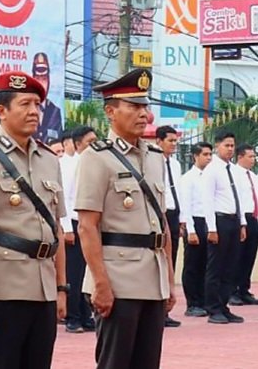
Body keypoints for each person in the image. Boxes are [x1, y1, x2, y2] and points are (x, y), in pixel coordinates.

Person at [0, 71, 67, 369]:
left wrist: (61, 288)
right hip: (1, 289)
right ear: (1, 111)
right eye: (25, 104)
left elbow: (56, 229)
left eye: (37, 104)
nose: (34, 111)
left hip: (43, 288)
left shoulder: (49, 159)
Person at [75, 69, 175, 369]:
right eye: (134, 106)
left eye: (145, 106)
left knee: (148, 362)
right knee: (115, 362)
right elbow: (87, 226)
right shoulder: (96, 157)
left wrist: (169, 279)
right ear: (110, 112)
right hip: (118, 278)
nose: (143, 113)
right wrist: (101, 283)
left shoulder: (155, 157)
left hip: (153, 277)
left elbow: (162, 223)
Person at [201, 131, 246, 324]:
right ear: (217, 146)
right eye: (226, 145)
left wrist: (242, 223)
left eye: (232, 145)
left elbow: (239, 199)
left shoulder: (234, 170)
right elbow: (207, 200)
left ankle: (224, 305)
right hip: (219, 221)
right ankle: (213, 308)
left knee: (230, 267)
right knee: (216, 267)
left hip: (234, 221)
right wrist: (211, 228)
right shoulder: (211, 170)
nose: (230, 149)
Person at [61, 126, 97, 334]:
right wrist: (67, 228)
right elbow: (64, 198)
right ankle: (73, 317)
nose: (94, 145)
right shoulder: (69, 165)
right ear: (77, 144)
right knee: (74, 273)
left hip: (92, 225)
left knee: (88, 271)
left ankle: (86, 315)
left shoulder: (96, 163)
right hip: (74, 225)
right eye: (89, 142)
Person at [179, 142, 212, 317]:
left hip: (209, 222)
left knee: (207, 264)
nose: (209, 158)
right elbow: (186, 205)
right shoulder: (188, 178)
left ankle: (205, 300)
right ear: (195, 156)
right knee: (193, 264)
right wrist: (191, 230)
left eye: (210, 154)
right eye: (205, 154)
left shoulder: (211, 177)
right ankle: (192, 303)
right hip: (195, 222)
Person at [155, 125, 183, 328]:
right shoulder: (153, 161)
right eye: (170, 141)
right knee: (160, 261)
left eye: (175, 141)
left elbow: (178, 191)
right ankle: (157, 310)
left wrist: (182, 219)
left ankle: (166, 310)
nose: (174, 144)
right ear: (159, 141)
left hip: (174, 214)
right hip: (160, 214)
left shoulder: (176, 164)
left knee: (170, 260)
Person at [230, 144, 258, 306]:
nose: (253, 159)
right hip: (241, 217)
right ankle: (232, 291)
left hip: (253, 217)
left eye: (254, 156)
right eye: (250, 156)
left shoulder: (253, 176)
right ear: (240, 157)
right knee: (237, 256)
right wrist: (242, 222)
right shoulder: (233, 174)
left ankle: (243, 289)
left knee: (249, 255)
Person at [31, 52, 62, 143]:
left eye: (44, 79)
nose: (41, 84)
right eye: (38, 79)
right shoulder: (25, 109)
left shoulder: (55, 111)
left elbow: (58, 140)